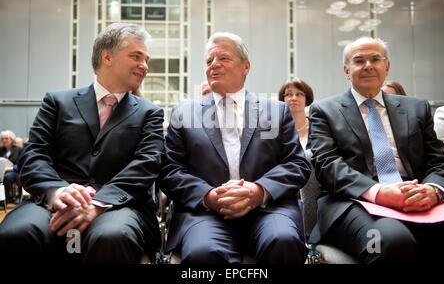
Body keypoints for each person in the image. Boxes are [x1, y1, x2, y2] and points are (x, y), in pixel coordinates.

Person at [0, 23, 165, 263]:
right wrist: (58, 191)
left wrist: (98, 203)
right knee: (17, 233)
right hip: (52, 202)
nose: (145, 66)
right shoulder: (57, 101)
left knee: (113, 236)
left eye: (146, 59)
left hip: (118, 207)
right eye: (136, 56)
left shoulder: (150, 113)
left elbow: (147, 164)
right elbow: (34, 155)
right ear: (106, 56)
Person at [160, 32, 310, 264]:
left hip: (269, 209)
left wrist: (258, 191)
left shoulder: (276, 111)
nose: (214, 65)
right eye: (209, 61)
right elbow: (170, 170)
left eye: (224, 58)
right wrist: (209, 196)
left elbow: (297, 164)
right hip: (206, 213)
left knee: (283, 241)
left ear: (246, 66)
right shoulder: (184, 113)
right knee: (203, 253)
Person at [308, 36, 444, 264]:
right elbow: (328, 165)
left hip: (416, 194)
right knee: (391, 241)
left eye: (375, 59)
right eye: (359, 60)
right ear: (346, 70)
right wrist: (379, 192)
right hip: (354, 201)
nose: (368, 66)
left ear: (387, 66)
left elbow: (439, 162)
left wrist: (433, 190)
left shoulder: (416, 108)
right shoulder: (324, 111)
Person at [278, 78, 314, 150]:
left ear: (307, 98)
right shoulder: (276, 130)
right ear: (283, 99)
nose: (294, 98)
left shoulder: (317, 127)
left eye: (299, 94)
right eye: (288, 94)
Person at [0, 130, 23, 203]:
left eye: (6, 138)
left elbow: (21, 164)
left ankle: (8, 199)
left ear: (12, 139)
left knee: (8, 176)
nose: (4, 140)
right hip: (2, 171)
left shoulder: (19, 149)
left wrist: (9, 168)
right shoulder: (1, 150)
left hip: (15, 171)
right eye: (2, 139)